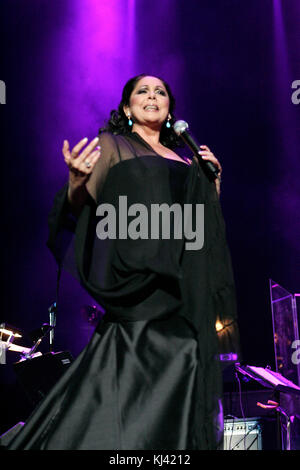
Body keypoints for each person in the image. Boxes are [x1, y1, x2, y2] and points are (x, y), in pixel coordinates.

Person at [8, 74, 238, 450]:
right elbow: (81, 211)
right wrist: (77, 182)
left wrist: (212, 190)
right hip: (140, 295)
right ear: (128, 108)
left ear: (170, 111)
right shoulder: (113, 146)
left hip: (182, 295)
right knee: (127, 413)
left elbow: (201, 236)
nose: (152, 96)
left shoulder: (187, 159)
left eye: (160, 92)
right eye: (142, 91)